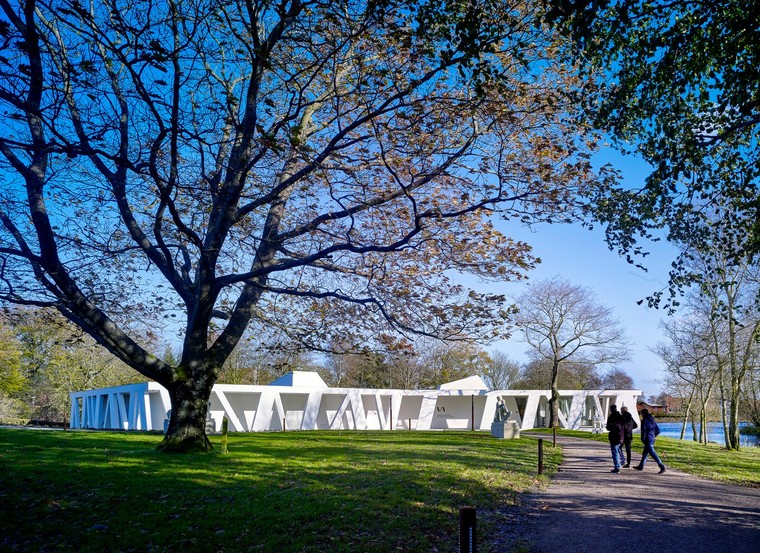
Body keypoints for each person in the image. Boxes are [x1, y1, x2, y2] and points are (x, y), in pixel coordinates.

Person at [634, 408, 666, 473]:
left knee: (653, 453)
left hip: (647, 439)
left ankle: (661, 466)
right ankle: (641, 466)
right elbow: (658, 430)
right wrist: (654, 436)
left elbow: (644, 431)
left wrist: (643, 439)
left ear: (643, 414)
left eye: (641, 414)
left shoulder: (644, 421)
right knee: (645, 453)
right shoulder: (652, 420)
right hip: (652, 438)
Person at [605, 404, 626, 473]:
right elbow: (625, 426)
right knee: (617, 450)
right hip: (621, 436)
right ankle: (621, 462)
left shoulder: (611, 417)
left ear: (611, 410)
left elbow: (608, 428)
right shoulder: (621, 417)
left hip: (614, 437)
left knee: (615, 452)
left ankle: (617, 466)